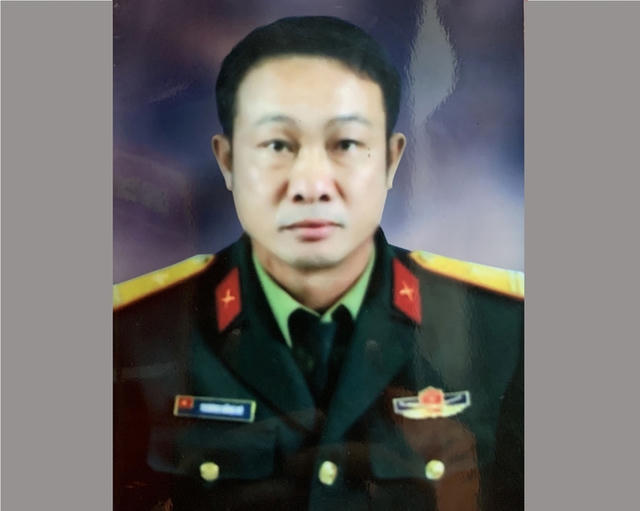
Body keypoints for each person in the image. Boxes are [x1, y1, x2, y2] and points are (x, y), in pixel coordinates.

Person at [114, 16, 523, 511]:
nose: (311, 185)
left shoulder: (505, 332)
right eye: (277, 145)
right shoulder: (131, 336)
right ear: (227, 161)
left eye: (345, 144)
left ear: (391, 161)